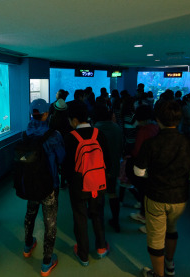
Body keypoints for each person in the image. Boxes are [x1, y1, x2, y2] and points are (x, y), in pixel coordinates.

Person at [132, 101, 190, 277]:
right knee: (171, 230)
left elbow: (139, 172)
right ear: (179, 118)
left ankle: (158, 274)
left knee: (156, 239)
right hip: (180, 198)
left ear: (157, 119)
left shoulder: (151, 143)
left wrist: (153, 176)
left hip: (156, 197)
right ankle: (170, 265)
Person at [62, 100, 111, 266]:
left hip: (78, 186)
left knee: (80, 218)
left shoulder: (70, 137)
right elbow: (107, 160)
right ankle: (101, 247)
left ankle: (83, 254)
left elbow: (66, 165)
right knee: (97, 214)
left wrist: (69, 181)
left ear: (74, 120)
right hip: (98, 183)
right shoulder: (99, 133)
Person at [22, 99, 65, 276]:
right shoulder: (54, 135)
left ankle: (27, 246)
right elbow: (61, 159)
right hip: (49, 185)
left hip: (30, 183)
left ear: (32, 113)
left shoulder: (26, 132)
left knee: (30, 214)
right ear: (46, 114)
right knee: (50, 223)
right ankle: (46, 262)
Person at [126, 105, 159, 233]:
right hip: (154, 165)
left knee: (145, 191)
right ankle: (143, 213)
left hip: (145, 166)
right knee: (147, 192)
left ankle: (146, 218)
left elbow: (138, 150)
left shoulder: (144, 131)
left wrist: (130, 156)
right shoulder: (155, 127)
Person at [93, 103, 123, 233]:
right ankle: (115, 221)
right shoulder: (117, 128)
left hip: (98, 169)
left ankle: (97, 220)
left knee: (97, 194)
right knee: (112, 193)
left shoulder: (95, 130)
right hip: (114, 167)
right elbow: (122, 147)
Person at [48, 98, 73, 189]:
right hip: (66, 142)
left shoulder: (52, 118)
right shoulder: (67, 119)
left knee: (54, 162)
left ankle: (55, 182)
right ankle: (63, 182)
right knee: (65, 163)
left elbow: (50, 130)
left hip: (54, 143)